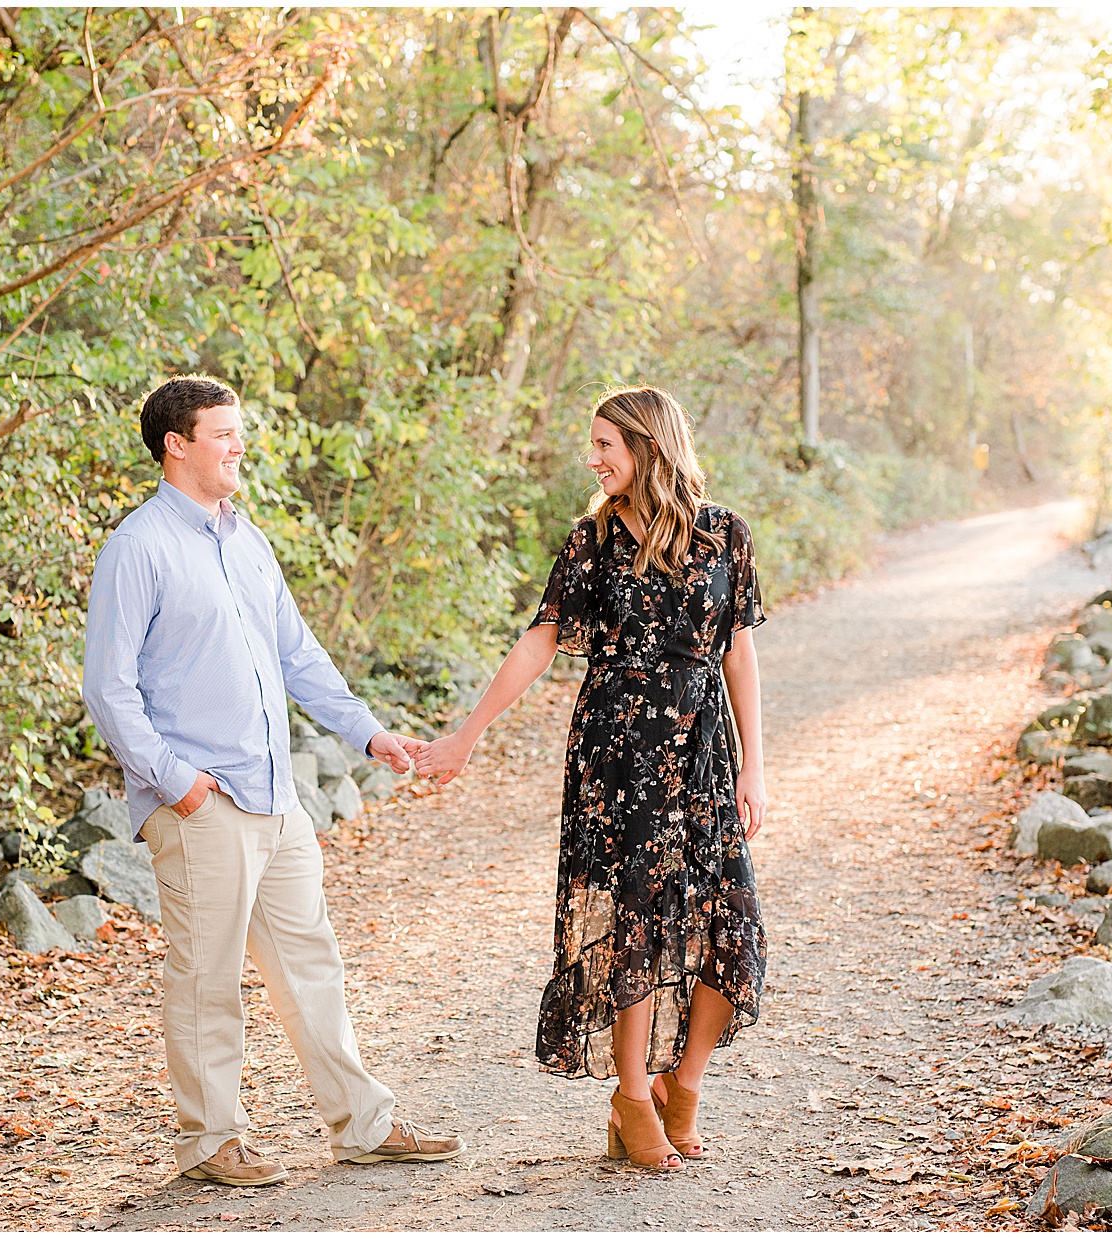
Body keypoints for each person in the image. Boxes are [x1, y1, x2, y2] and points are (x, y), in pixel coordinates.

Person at [82, 375, 462, 1187]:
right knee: (207, 975)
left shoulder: (245, 540)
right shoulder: (138, 547)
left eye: (238, 432)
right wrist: (176, 781)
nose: (238, 446)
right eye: (222, 434)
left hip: (275, 795)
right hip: (201, 801)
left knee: (310, 964)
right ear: (174, 445)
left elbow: (296, 654)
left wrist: (366, 730)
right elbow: (109, 690)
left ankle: (365, 1123)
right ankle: (210, 1139)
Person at [415, 386, 768, 1171]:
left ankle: (683, 1086)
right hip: (615, 752)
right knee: (634, 923)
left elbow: (738, 650)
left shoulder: (724, 534)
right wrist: (466, 734)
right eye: (593, 444)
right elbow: (539, 641)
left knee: (732, 930)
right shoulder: (591, 541)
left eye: (605, 443)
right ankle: (633, 1095)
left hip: (702, 752)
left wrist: (755, 763)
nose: (594, 457)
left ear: (647, 445)